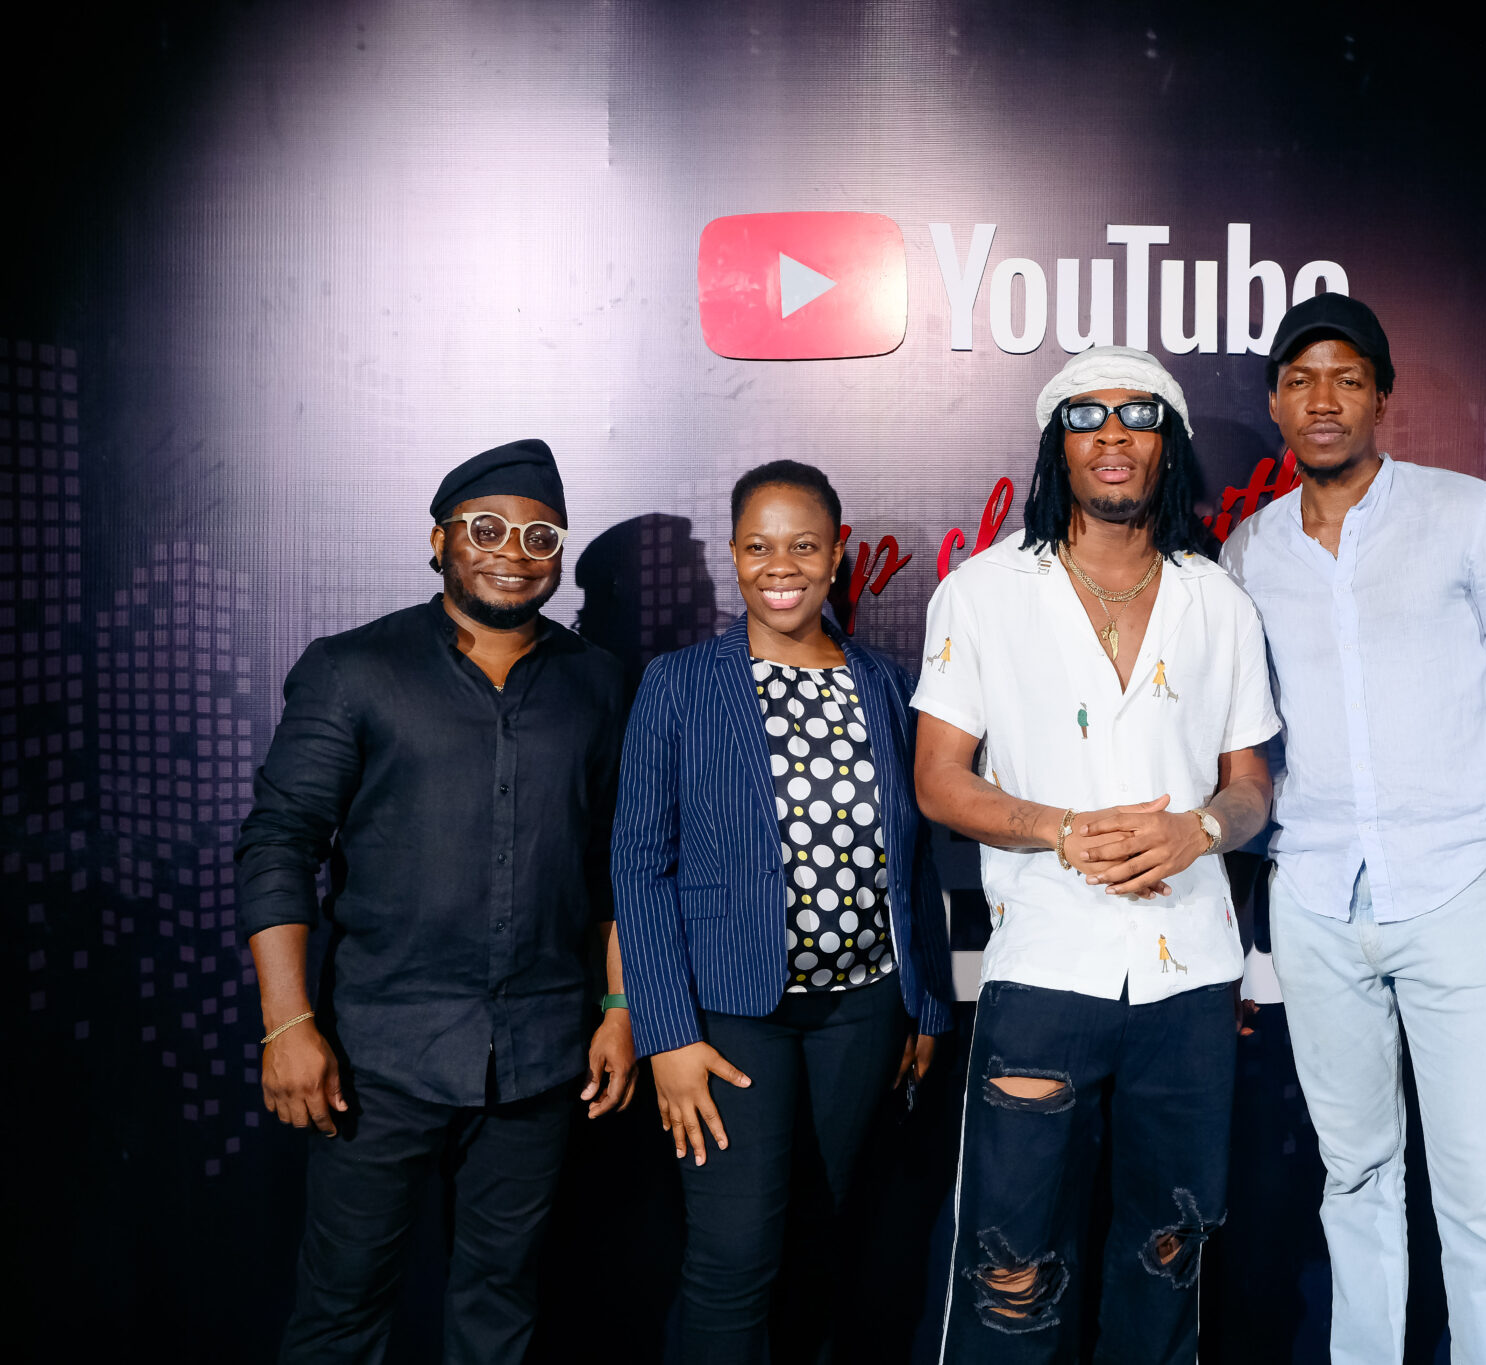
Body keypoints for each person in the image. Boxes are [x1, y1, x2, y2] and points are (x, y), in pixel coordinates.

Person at [1219, 293, 1486, 1365]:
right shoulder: (1248, 552)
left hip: (1453, 889)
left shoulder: (1467, 514)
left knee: (1478, 1189)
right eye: (1300, 380)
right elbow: (1242, 730)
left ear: (1381, 395)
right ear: (1275, 403)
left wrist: (1463, 791)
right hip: (1313, 896)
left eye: (1346, 378)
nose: (1322, 399)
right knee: (1353, 1176)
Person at [914, 346, 1279, 1363]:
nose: (1112, 435)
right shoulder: (983, 592)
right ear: (1056, 446)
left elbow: (1252, 786)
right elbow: (938, 780)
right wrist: (1062, 829)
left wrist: (1198, 828)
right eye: (1086, 417)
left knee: (1168, 1251)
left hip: (1190, 973)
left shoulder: (1218, 600)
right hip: (1044, 964)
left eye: (1138, 416)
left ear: (1170, 445)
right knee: (1009, 1261)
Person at [237, 439, 634, 1364]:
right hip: (377, 1055)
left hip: (542, 1055)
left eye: (540, 536)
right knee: (341, 1313)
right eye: (486, 529)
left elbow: (615, 862)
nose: (513, 552)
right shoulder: (352, 669)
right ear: (439, 540)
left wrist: (620, 1005)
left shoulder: (600, 683)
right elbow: (281, 843)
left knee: (501, 1309)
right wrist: (286, 1023)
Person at [610, 460, 953, 1365]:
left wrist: (924, 1004)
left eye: (803, 545)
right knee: (734, 1256)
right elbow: (638, 867)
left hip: (863, 1012)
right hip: (730, 1017)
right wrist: (667, 1035)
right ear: (733, 555)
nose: (781, 566)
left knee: (821, 1239)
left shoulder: (888, 684)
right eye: (759, 547)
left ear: (837, 555)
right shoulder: (679, 683)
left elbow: (915, 854)